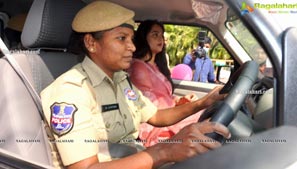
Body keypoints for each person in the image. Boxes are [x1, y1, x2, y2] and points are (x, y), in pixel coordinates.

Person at [41, 1, 230, 169]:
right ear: (91, 43)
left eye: (131, 39)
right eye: (122, 38)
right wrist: (165, 151)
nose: (132, 46)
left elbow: (155, 115)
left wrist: (203, 103)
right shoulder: (71, 90)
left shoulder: (121, 80)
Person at [127, 20, 204, 147]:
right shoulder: (138, 68)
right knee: (204, 119)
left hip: (167, 116)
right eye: (155, 35)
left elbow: (164, 97)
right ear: (143, 38)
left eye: (162, 35)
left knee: (205, 115)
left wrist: (180, 100)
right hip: (154, 124)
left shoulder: (157, 65)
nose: (160, 39)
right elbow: (152, 105)